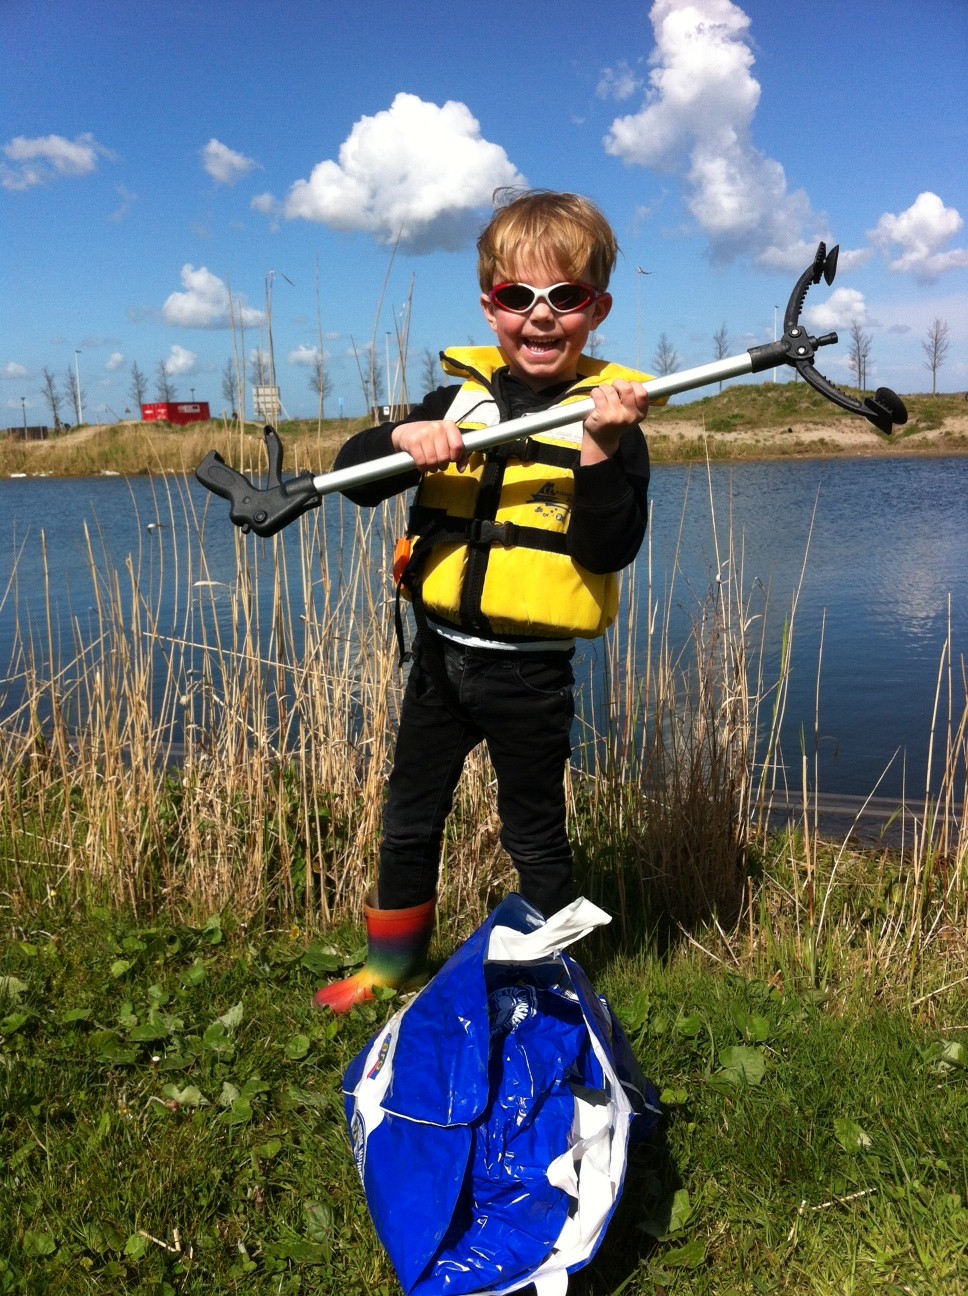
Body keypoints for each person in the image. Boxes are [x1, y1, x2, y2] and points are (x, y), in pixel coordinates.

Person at [314, 189, 652, 1012]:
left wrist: (601, 451)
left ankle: (551, 977)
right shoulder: (451, 403)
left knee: (533, 832)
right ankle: (390, 966)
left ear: (596, 309)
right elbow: (356, 476)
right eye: (518, 298)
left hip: (529, 678)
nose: (541, 318)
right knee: (408, 816)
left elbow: (610, 548)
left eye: (565, 299)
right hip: (439, 662)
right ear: (490, 307)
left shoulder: (611, 423)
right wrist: (400, 442)